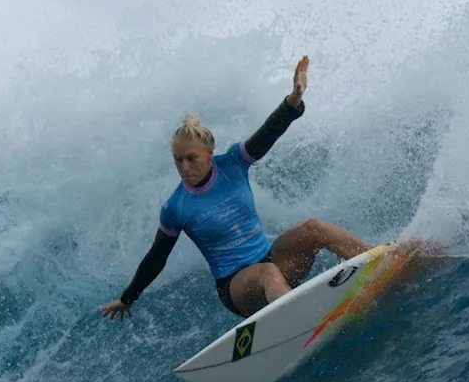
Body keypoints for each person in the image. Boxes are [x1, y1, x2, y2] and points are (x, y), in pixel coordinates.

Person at [100, 56, 370, 321]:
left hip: (272, 262)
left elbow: (267, 134)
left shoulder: (232, 164)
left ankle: (379, 263)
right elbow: (156, 258)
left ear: (209, 152)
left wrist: (293, 102)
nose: (184, 168)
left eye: (191, 158)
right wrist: (128, 298)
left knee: (313, 228)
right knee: (267, 274)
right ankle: (302, 322)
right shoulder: (176, 207)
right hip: (237, 287)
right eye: (177, 160)